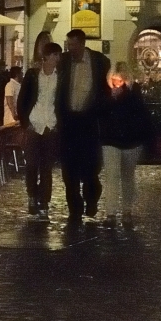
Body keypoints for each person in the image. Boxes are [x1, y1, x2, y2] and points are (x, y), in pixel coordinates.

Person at [55, 28, 112, 219]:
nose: (70, 48)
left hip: (89, 121)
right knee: (68, 168)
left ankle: (91, 199)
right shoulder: (63, 62)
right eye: (68, 44)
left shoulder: (99, 62)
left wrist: (102, 114)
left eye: (73, 45)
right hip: (68, 122)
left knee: (90, 168)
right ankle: (75, 208)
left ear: (82, 43)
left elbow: (105, 91)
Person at [99, 67, 156, 228]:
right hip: (110, 140)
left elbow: (141, 116)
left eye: (120, 80)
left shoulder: (134, 93)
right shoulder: (106, 92)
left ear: (126, 80)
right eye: (114, 80)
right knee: (111, 176)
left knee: (127, 177)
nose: (116, 83)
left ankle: (127, 211)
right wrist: (110, 99)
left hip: (131, 141)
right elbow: (99, 110)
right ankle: (111, 213)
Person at [14, 40, 64, 217]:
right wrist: (25, 123)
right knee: (32, 164)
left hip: (51, 125)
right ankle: (32, 196)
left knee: (46, 167)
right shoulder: (34, 75)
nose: (58, 58)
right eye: (55, 55)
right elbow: (23, 100)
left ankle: (44, 201)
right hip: (34, 124)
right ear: (47, 57)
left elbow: (61, 102)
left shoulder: (61, 76)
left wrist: (59, 123)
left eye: (59, 55)